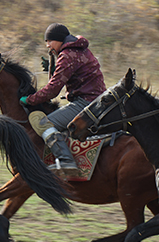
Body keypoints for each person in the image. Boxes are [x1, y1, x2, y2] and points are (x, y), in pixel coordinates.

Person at [20, 23, 107, 177]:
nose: (47, 46)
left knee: (42, 123)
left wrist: (30, 100)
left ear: (59, 40)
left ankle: (66, 160)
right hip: (97, 100)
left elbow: (52, 91)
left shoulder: (67, 55)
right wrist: (54, 68)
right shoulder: (81, 50)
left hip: (85, 103)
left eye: (49, 41)